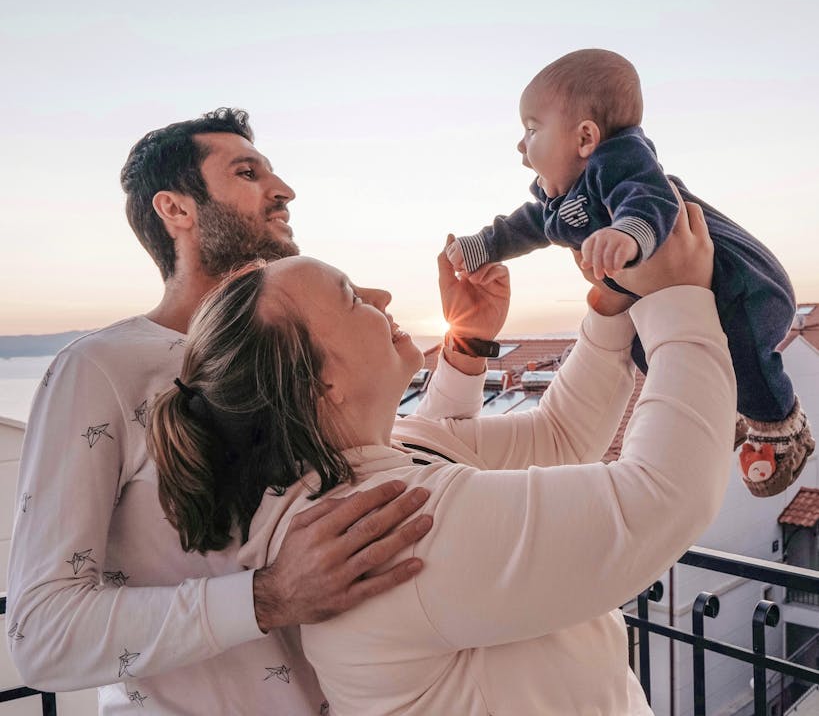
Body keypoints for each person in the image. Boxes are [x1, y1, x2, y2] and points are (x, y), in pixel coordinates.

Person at [149, 193, 736, 715]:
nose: (380, 295)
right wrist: (679, 300)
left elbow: (558, 438)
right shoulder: (383, 528)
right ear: (321, 385)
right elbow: (661, 497)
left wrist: (610, 307)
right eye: (351, 297)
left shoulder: (393, 451)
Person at [6, 107, 468, 715]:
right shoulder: (100, 369)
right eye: (248, 173)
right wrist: (265, 598)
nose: (284, 192)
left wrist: (471, 350)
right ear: (175, 209)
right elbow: (43, 634)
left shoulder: (293, 354)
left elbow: (401, 463)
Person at [446, 48, 813, 497]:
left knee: (747, 359)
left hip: (742, 288)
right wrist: (481, 246)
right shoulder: (559, 199)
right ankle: (723, 408)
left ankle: (782, 427)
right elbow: (524, 225)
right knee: (647, 351)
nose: (521, 146)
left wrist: (628, 235)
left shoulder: (620, 161)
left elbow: (649, 200)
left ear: (585, 138)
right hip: (688, 300)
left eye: (531, 128)